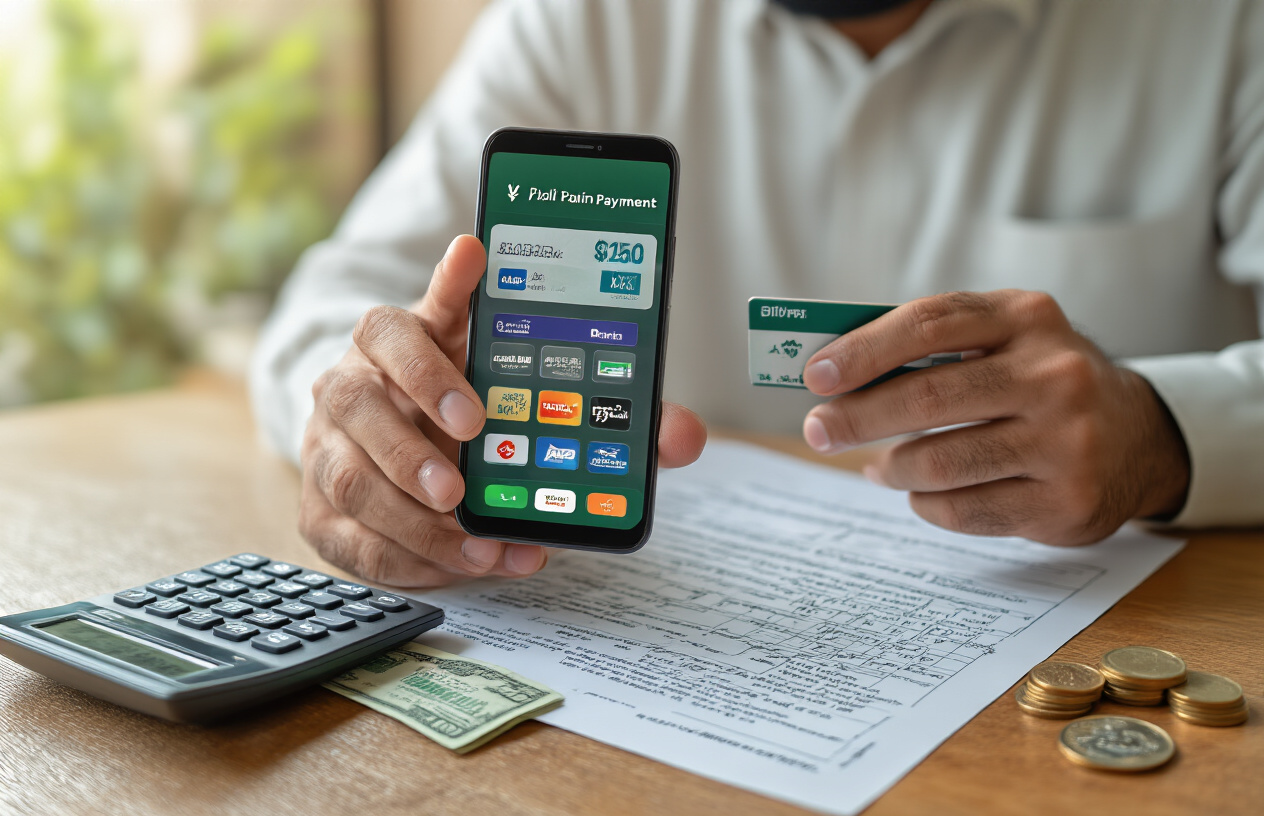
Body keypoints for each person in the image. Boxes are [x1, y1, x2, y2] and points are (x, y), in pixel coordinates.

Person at [251, 0, 1264, 588]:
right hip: (663, 634)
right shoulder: (578, 19)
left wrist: (1164, 432)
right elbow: (331, 307)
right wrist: (368, 424)